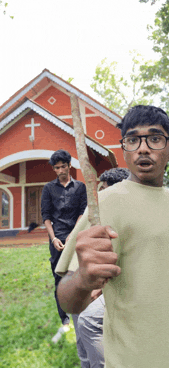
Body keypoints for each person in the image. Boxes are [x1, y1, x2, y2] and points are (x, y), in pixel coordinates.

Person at [56, 106, 169, 368]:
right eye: (133, 140)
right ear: (125, 150)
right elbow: (68, 298)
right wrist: (83, 279)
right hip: (141, 358)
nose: (143, 148)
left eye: (155, 138)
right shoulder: (107, 203)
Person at [41, 149, 89, 367]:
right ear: (54, 169)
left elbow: (82, 212)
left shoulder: (80, 187)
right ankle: (65, 318)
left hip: (76, 237)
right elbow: (46, 216)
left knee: (79, 274)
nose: (60, 170)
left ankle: (82, 310)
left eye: (63, 166)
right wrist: (54, 239)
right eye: (56, 167)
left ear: (70, 165)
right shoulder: (48, 188)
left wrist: (73, 234)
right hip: (57, 241)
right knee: (58, 278)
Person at [77, 168, 129, 368]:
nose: (101, 196)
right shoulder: (101, 216)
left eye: (106, 191)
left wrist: (101, 288)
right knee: (79, 314)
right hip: (101, 280)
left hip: (125, 285)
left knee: (88, 320)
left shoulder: (127, 216)